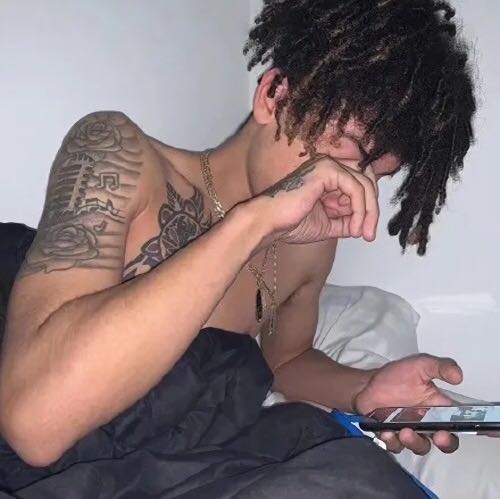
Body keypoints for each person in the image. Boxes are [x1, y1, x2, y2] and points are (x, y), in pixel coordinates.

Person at [0, 0, 475, 473]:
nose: (347, 191)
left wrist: (363, 389)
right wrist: (254, 223)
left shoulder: (311, 246)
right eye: (342, 156)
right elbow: (35, 426)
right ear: (273, 96)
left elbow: (286, 362)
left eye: (375, 176)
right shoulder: (119, 154)